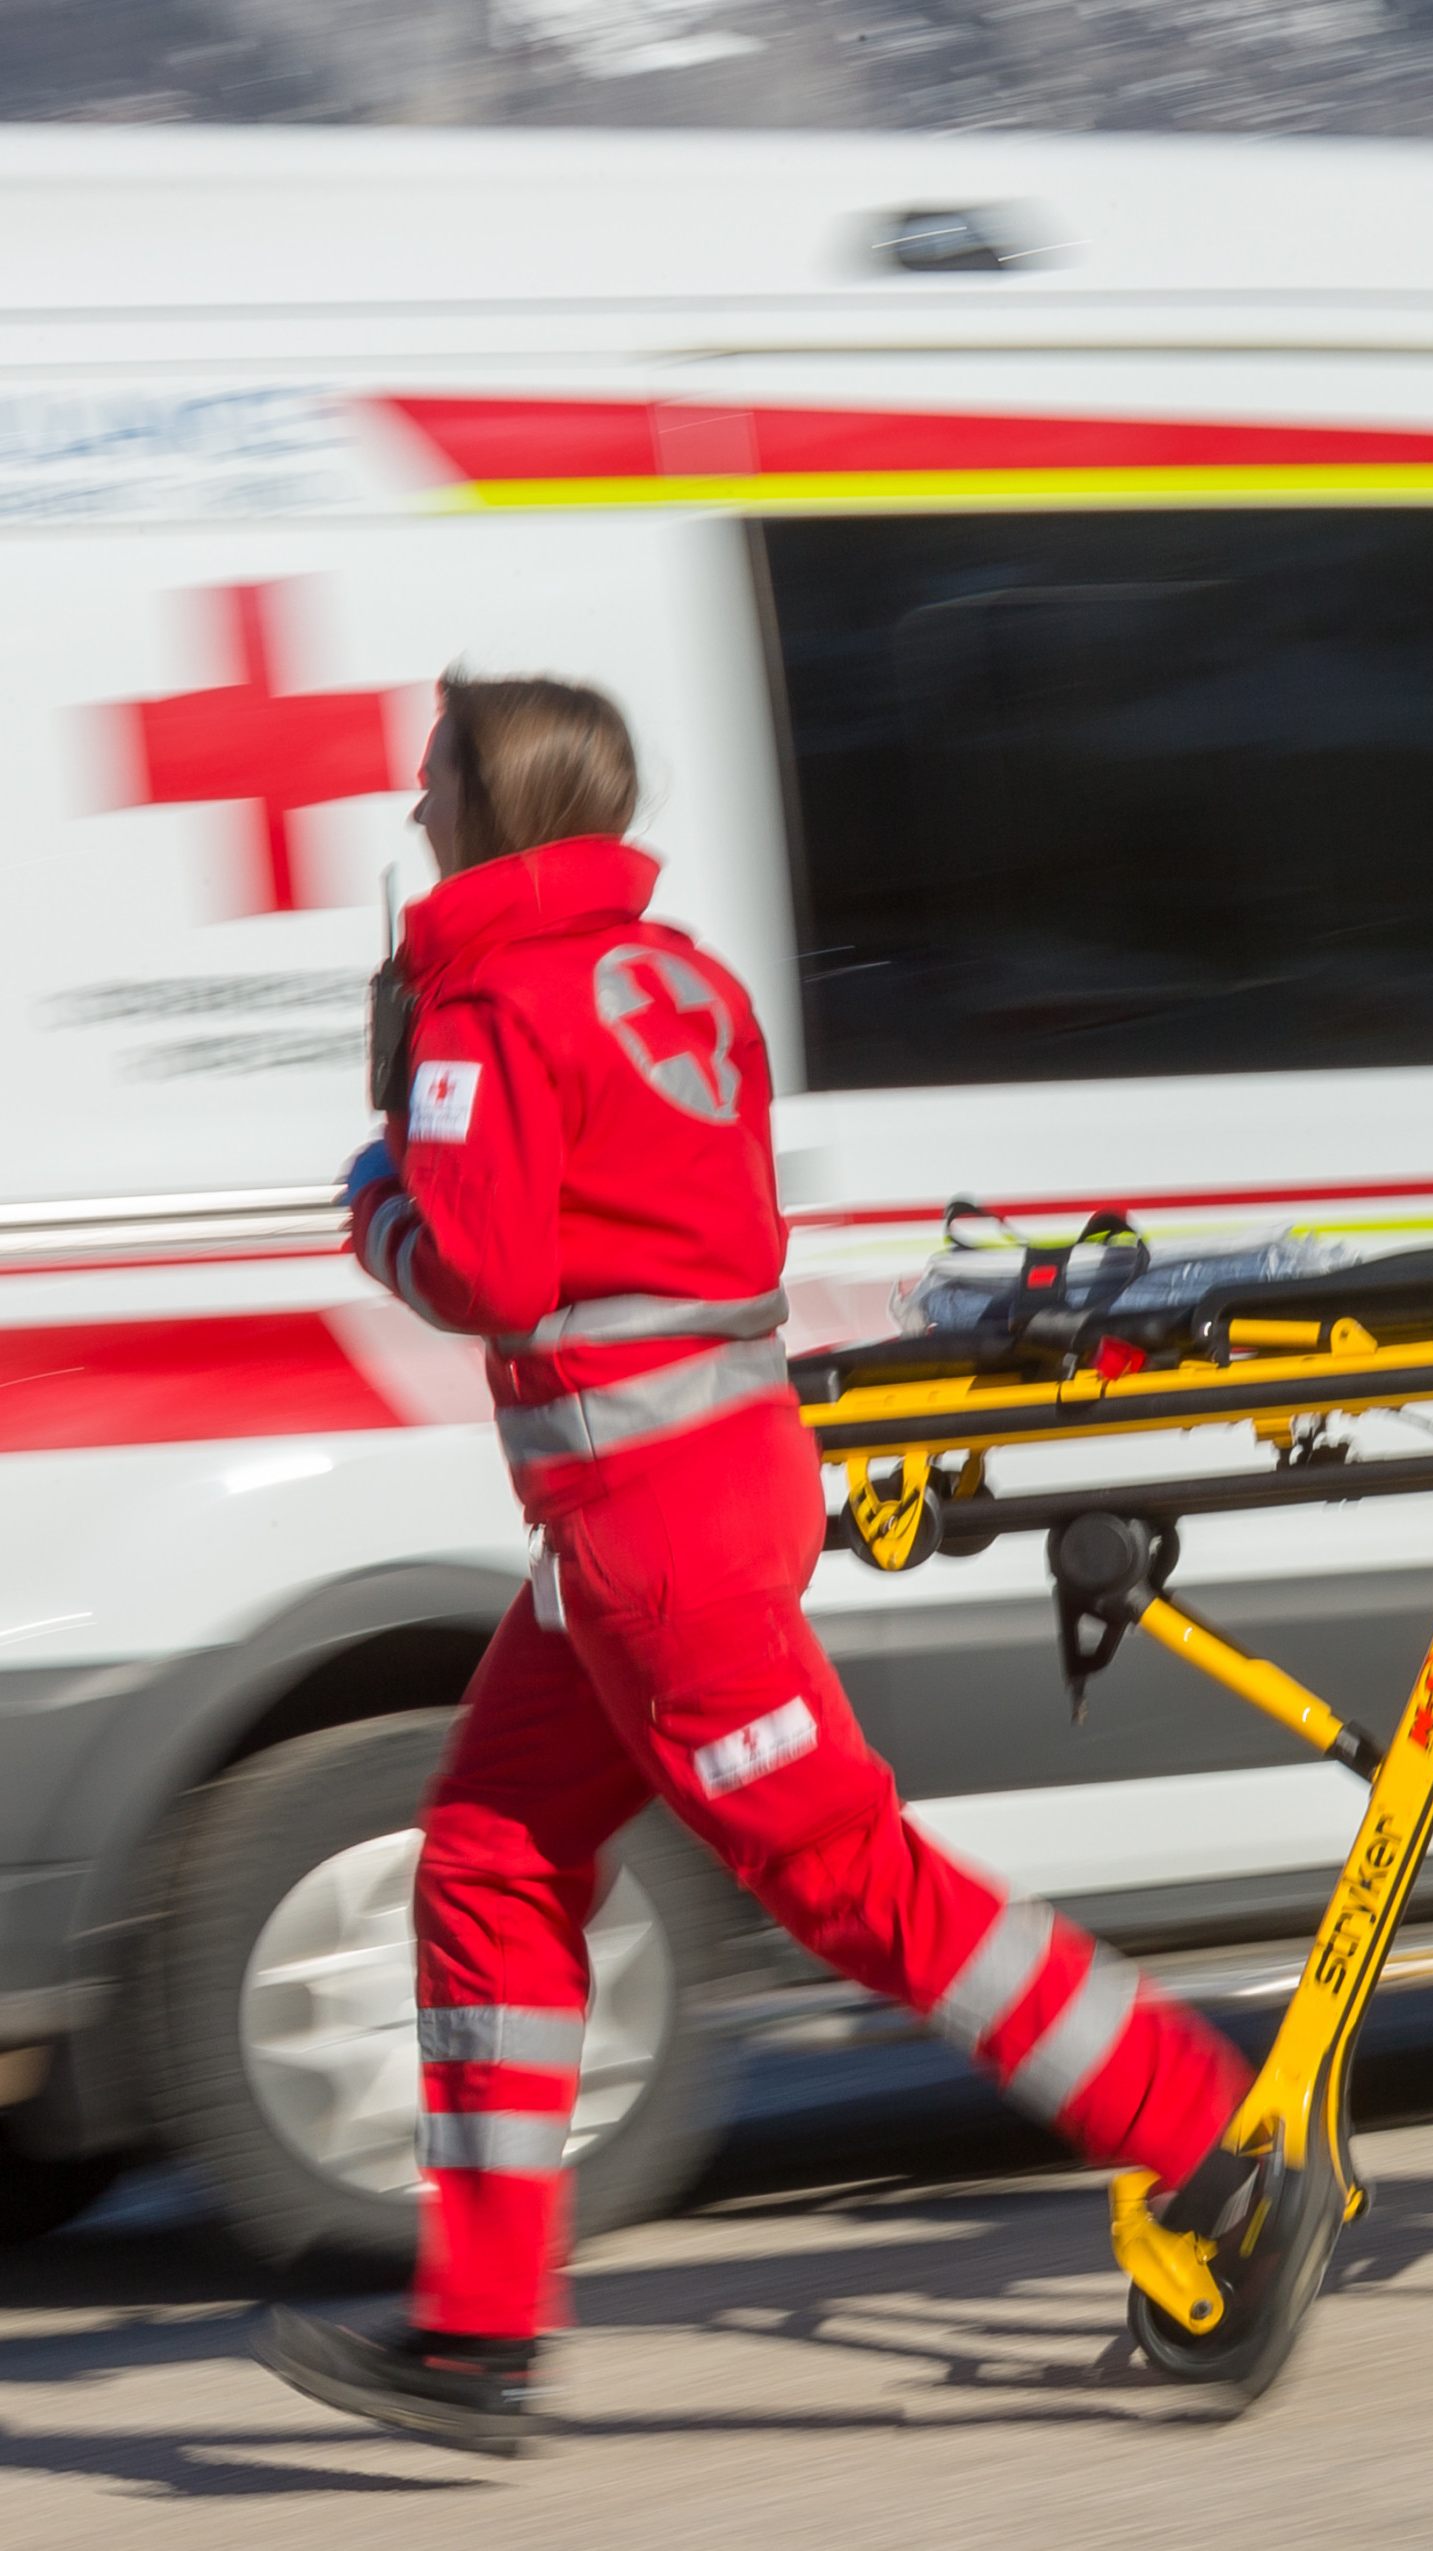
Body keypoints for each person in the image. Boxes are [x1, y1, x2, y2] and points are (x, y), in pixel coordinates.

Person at [260, 677, 1279, 2454]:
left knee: (845, 1886)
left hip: (651, 1550)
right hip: (691, 1508)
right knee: (491, 1859)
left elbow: (491, 1275)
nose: (413, 810)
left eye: (432, 782)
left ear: (492, 801)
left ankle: (1209, 2142)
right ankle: (477, 2335)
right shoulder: (684, 980)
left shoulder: (487, 1005)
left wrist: (377, 1201)